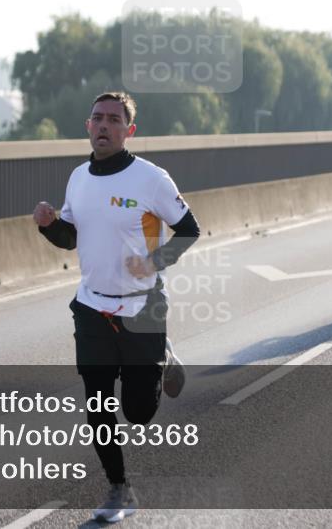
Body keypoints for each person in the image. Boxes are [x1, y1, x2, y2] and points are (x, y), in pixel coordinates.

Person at [33, 91, 200, 523]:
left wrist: (153, 261)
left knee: (138, 413)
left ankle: (159, 358)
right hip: (91, 308)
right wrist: (51, 227)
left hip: (143, 307)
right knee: (98, 405)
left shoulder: (151, 179)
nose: (103, 125)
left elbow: (189, 230)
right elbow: (72, 236)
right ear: (87, 127)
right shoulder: (78, 178)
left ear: (129, 130)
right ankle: (119, 489)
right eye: (97, 118)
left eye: (113, 119)